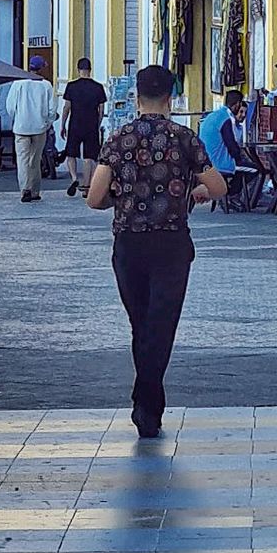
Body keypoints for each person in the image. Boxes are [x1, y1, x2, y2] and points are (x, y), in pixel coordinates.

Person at [87, 65, 227, 438]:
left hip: (129, 244)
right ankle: (147, 402)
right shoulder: (185, 138)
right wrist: (196, 192)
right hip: (171, 244)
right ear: (170, 98)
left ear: (136, 97)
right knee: (161, 325)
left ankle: (146, 401)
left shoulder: (118, 139)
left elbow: (94, 197)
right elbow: (219, 186)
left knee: (141, 323)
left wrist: (120, 199)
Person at [5, 58, 59, 204]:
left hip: (21, 127)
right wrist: (48, 123)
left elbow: (10, 106)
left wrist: (17, 118)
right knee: (35, 159)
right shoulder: (46, 85)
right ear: (41, 69)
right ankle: (35, 191)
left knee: (22, 160)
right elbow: (52, 109)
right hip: (39, 128)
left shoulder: (18, 84)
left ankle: (25, 189)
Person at [60, 57, 107, 198]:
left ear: (78, 69)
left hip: (75, 123)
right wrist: (97, 125)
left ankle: (74, 178)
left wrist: (63, 124)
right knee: (89, 157)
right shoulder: (98, 87)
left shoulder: (71, 86)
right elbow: (101, 110)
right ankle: (86, 187)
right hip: (91, 124)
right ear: (90, 70)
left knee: (71, 154)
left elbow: (66, 107)